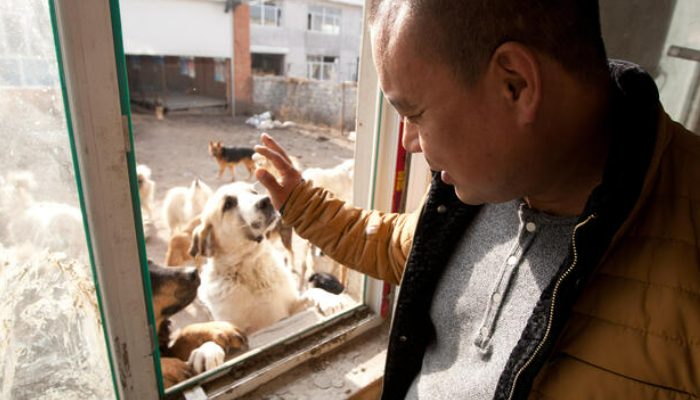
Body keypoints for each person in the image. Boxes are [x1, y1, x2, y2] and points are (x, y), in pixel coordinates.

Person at [255, 0, 700, 398]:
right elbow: (403, 249)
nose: (408, 141)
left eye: (413, 113)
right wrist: (304, 205)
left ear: (516, 85)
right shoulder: (494, 178)